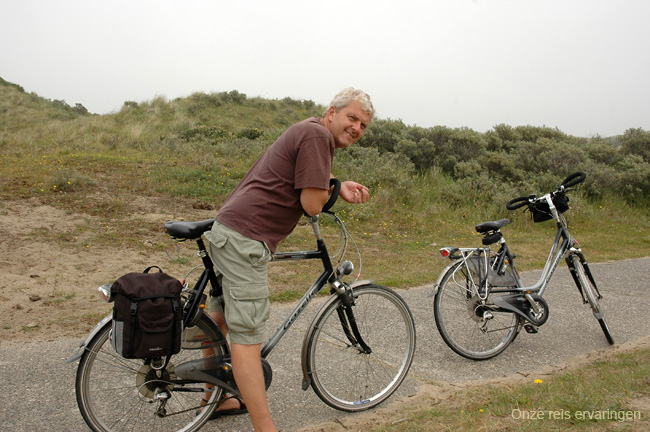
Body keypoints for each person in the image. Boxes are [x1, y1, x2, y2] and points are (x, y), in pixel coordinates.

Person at [204, 88, 375, 431]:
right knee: (247, 337)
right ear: (332, 113)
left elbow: (303, 176)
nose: (357, 128)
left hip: (230, 230)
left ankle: (217, 397)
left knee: (219, 319)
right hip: (246, 239)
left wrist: (336, 186)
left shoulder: (309, 130)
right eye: (352, 118)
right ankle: (266, 428)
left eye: (364, 125)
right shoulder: (317, 136)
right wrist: (332, 188)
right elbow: (311, 204)